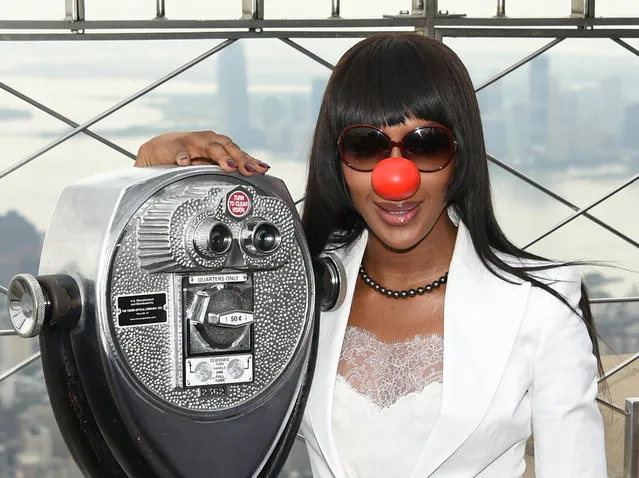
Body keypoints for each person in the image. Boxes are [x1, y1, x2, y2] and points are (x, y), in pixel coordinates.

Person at [135, 34, 607, 477]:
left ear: (460, 155)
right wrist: (153, 168)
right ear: (337, 160)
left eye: (426, 145)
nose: (394, 178)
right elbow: (160, 347)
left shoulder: (542, 303)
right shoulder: (290, 288)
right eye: (366, 146)